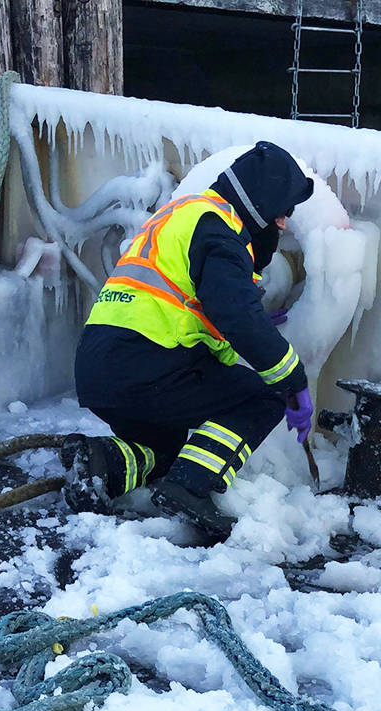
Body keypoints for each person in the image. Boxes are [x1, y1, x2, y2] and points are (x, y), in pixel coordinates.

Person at [61, 141, 317, 539]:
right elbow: (234, 313)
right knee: (260, 396)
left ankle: (102, 462)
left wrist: (257, 316)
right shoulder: (220, 229)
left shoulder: (184, 215)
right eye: (282, 211)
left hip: (101, 366)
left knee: (162, 450)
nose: (282, 224)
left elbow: (201, 305)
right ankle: (191, 486)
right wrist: (293, 380)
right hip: (145, 361)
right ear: (259, 200)